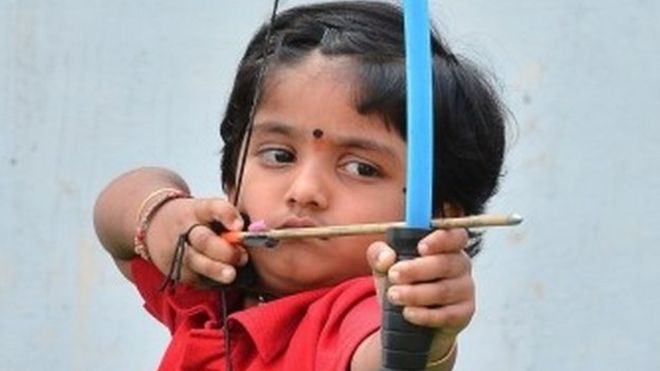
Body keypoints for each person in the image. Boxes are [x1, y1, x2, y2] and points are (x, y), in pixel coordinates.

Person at [94, 1, 507, 370]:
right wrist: (160, 215)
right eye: (279, 155)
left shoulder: (362, 314)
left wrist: (423, 323)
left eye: (361, 168)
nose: (304, 190)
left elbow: (393, 359)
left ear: (439, 219)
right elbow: (115, 225)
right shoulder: (212, 284)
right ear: (230, 178)